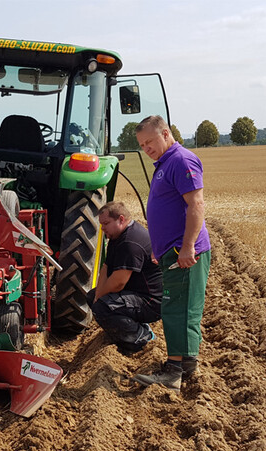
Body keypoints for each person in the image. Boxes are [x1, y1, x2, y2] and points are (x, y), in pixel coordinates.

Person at [131, 115, 211, 392]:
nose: (146, 148)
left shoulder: (181, 160)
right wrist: (159, 246)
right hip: (172, 250)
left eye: (149, 142)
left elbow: (196, 205)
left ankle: (174, 372)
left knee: (177, 309)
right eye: (142, 145)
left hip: (183, 251)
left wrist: (188, 247)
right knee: (179, 307)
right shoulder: (166, 163)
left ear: (165, 133)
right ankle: (185, 364)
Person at [87, 201, 162, 355]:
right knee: (93, 297)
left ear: (121, 219)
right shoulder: (117, 237)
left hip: (151, 301)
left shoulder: (130, 242)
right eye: (101, 224)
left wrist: (99, 300)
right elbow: (106, 267)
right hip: (136, 293)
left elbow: (118, 283)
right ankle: (132, 328)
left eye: (106, 223)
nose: (102, 228)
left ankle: (142, 337)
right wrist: (97, 295)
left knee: (102, 307)